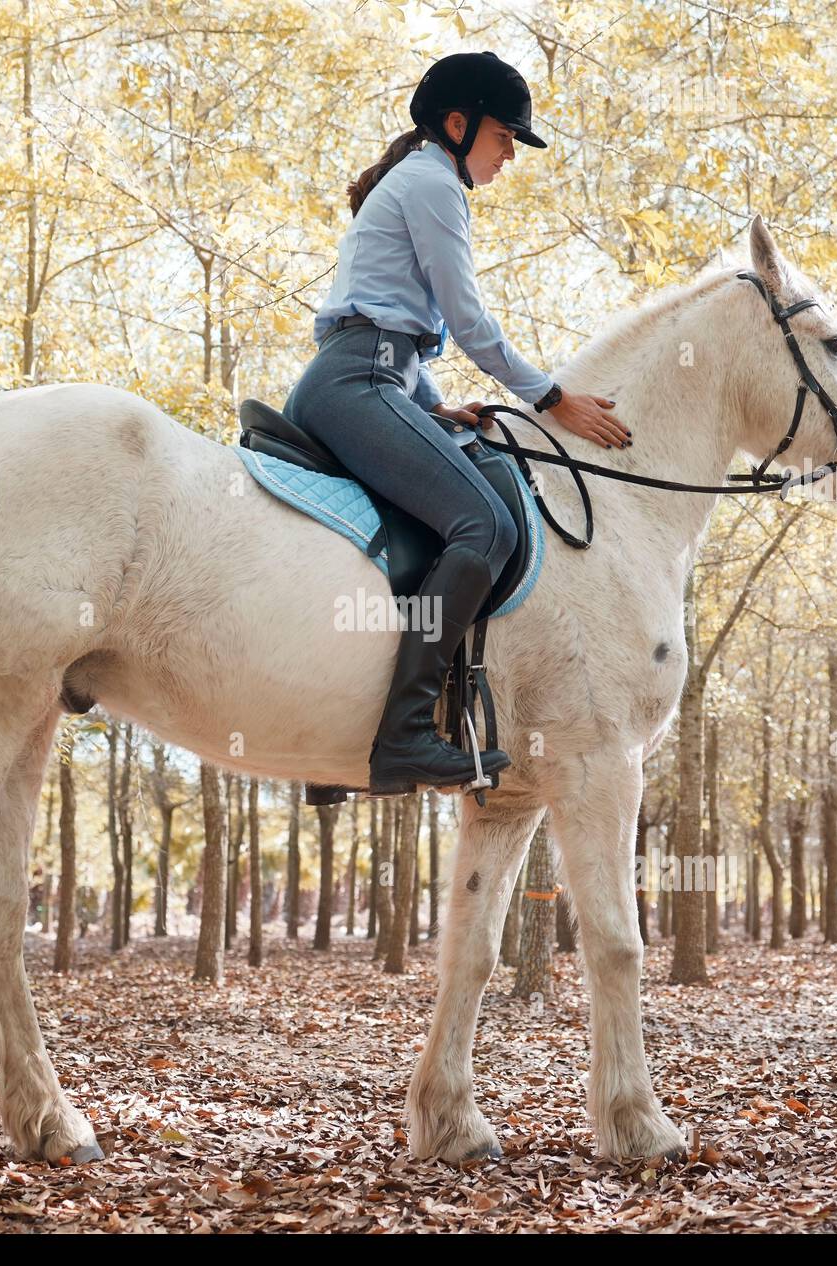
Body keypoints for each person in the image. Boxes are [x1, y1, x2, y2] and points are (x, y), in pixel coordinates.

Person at [284, 51, 630, 794]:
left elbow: (392, 323)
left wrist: (433, 403)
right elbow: (467, 318)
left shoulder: (415, 180)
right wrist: (551, 397)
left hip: (374, 378)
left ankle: (338, 723)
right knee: (488, 526)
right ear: (457, 122)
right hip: (360, 381)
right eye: (506, 136)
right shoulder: (434, 183)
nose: (510, 153)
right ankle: (404, 733)